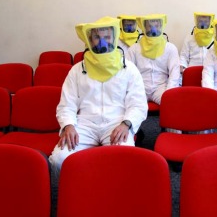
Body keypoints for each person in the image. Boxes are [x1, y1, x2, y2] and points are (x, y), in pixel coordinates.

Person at [49, 17, 148, 177]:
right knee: (59, 160)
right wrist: (68, 125)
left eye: (107, 37)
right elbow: (67, 105)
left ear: (114, 37)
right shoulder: (76, 70)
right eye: (97, 37)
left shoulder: (129, 68)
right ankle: (78, 189)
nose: (102, 41)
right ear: (89, 39)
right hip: (84, 124)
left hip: (116, 124)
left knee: (124, 158)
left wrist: (126, 124)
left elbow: (138, 105)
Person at [127, 14, 180, 105]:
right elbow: (128, 72)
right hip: (141, 86)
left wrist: (169, 94)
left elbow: (174, 73)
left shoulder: (170, 48)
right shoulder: (134, 48)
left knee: (172, 105)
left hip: (161, 87)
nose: (153, 30)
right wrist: (133, 89)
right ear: (144, 28)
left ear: (161, 26)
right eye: (150, 26)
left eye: (156, 26)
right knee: (131, 106)